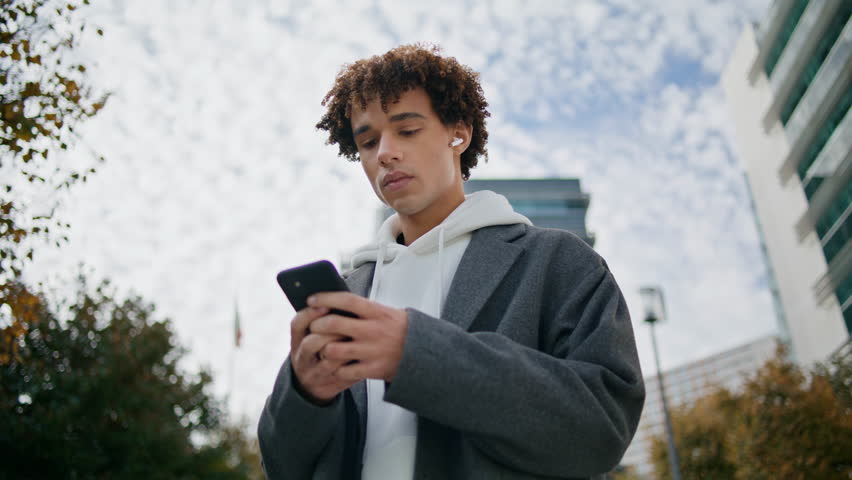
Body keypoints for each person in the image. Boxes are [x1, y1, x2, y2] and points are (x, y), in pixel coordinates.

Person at [258, 44, 645, 480]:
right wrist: (307, 394)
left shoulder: (557, 261)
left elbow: (601, 429)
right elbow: (282, 465)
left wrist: (416, 353)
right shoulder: (348, 292)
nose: (385, 152)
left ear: (457, 133)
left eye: (406, 130)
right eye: (368, 141)